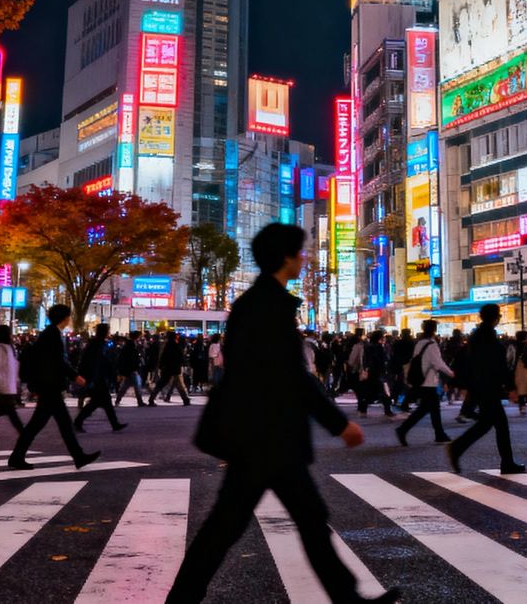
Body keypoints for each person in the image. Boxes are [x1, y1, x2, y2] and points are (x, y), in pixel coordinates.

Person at [168, 224, 396, 604]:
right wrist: (340, 424)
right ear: (287, 257)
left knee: (284, 520)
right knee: (237, 525)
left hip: (260, 434)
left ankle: (347, 598)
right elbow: (292, 375)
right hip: (267, 436)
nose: (305, 259)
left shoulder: (256, 303)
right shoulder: (268, 307)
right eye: (301, 253)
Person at [9, 305, 101, 470]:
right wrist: (75, 376)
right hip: (49, 386)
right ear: (64, 318)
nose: (70, 319)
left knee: (44, 424)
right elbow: (58, 361)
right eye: (68, 316)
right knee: (54, 424)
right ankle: (77, 456)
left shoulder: (50, 333)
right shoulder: (52, 335)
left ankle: (18, 456)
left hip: (48, 385)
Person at [446, 303, 525, 475]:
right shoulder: (488, 337)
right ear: (496, 318)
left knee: (486, 424)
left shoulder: (476, 336)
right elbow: (499, 365)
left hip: (479, 386)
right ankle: (506, 463)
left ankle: (458, 448)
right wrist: (511, 387)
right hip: (488, 387)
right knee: (499, 425)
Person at [395, 319, 452, 445]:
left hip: (420, 379)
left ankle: (439, 433)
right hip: (428, 381)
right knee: (426, 408)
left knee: (430, 408)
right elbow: (438, 363)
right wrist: (451, 373)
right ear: (434, 330)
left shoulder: (420, 343)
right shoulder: (432, 344)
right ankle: (403, 429)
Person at [73, 322, 127, 432]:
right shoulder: (98, 345)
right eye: (108, 330)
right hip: (96, 378)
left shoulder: (96, 343)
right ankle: (79, 421)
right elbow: (100, 362)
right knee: (99, 402)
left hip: (96, 377)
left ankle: (114, 423)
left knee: (102, 402)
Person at [148, 330, 191, 405]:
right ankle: (185, 399)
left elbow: (163, 357)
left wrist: (161, 366)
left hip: (167, 368)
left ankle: (151, 398)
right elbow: (180, 356)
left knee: (161, 384)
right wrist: (182, 364)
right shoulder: (176, 345)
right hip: (175, 368)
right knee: (179, 384)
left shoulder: (166, 345)